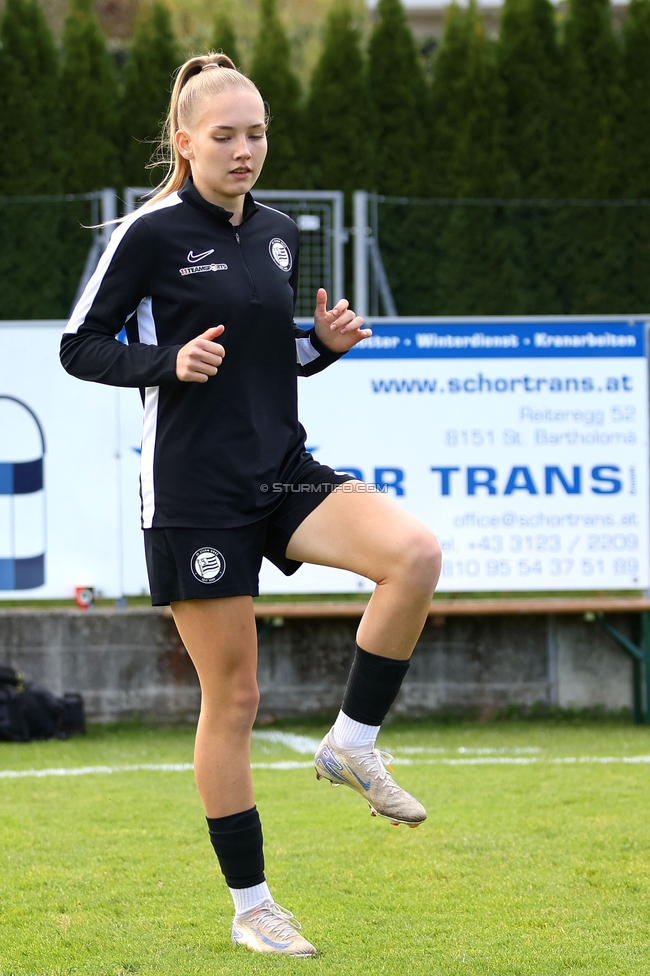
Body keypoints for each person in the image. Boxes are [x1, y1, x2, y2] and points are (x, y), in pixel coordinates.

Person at [60, 53, 441, 958]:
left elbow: (262, 361)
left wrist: (322, 347)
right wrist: (167, 363)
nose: (243, 150)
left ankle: (352, 742)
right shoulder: (149, 234)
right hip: (195, 494)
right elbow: (80, 347)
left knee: (414, 553)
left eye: (256, 133)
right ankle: (254, 907)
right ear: (185, 142)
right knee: (234, 697)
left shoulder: (276, 230)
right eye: (224, 136)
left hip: (282, 469)